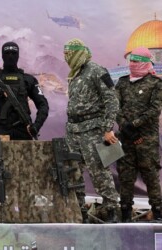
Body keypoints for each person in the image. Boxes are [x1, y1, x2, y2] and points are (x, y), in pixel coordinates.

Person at [64, 38, 119, 222]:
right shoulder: (75, 74)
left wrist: (108, 128)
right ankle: (79, 211)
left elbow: (112, 100)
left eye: (69, 54)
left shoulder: (97, 70)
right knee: (73, 171)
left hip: (93, 130)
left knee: (99, 171)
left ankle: (111, 210)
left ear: (78, 53)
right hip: (73, 131)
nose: (66, 58)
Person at [115, 47, 162, 222]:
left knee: (150, 174)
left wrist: (133, 126)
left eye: (136, 61)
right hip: (126, 138)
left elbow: (154, 110)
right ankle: (125, 212)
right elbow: (115, 107)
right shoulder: (122, 82)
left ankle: (158, 212)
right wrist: (125, 126)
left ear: (145, 62)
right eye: (131, 61)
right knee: (126, 176)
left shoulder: (155, 83)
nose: (133, 64)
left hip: (146, 140)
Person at [0, 41, 49, 140]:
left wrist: (36, 126)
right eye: (7, 53)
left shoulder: (28, 80)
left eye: (14, 53)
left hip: (23, 131)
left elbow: (43, 105)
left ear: (18, 56)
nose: (10, 56)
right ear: (2, 56)